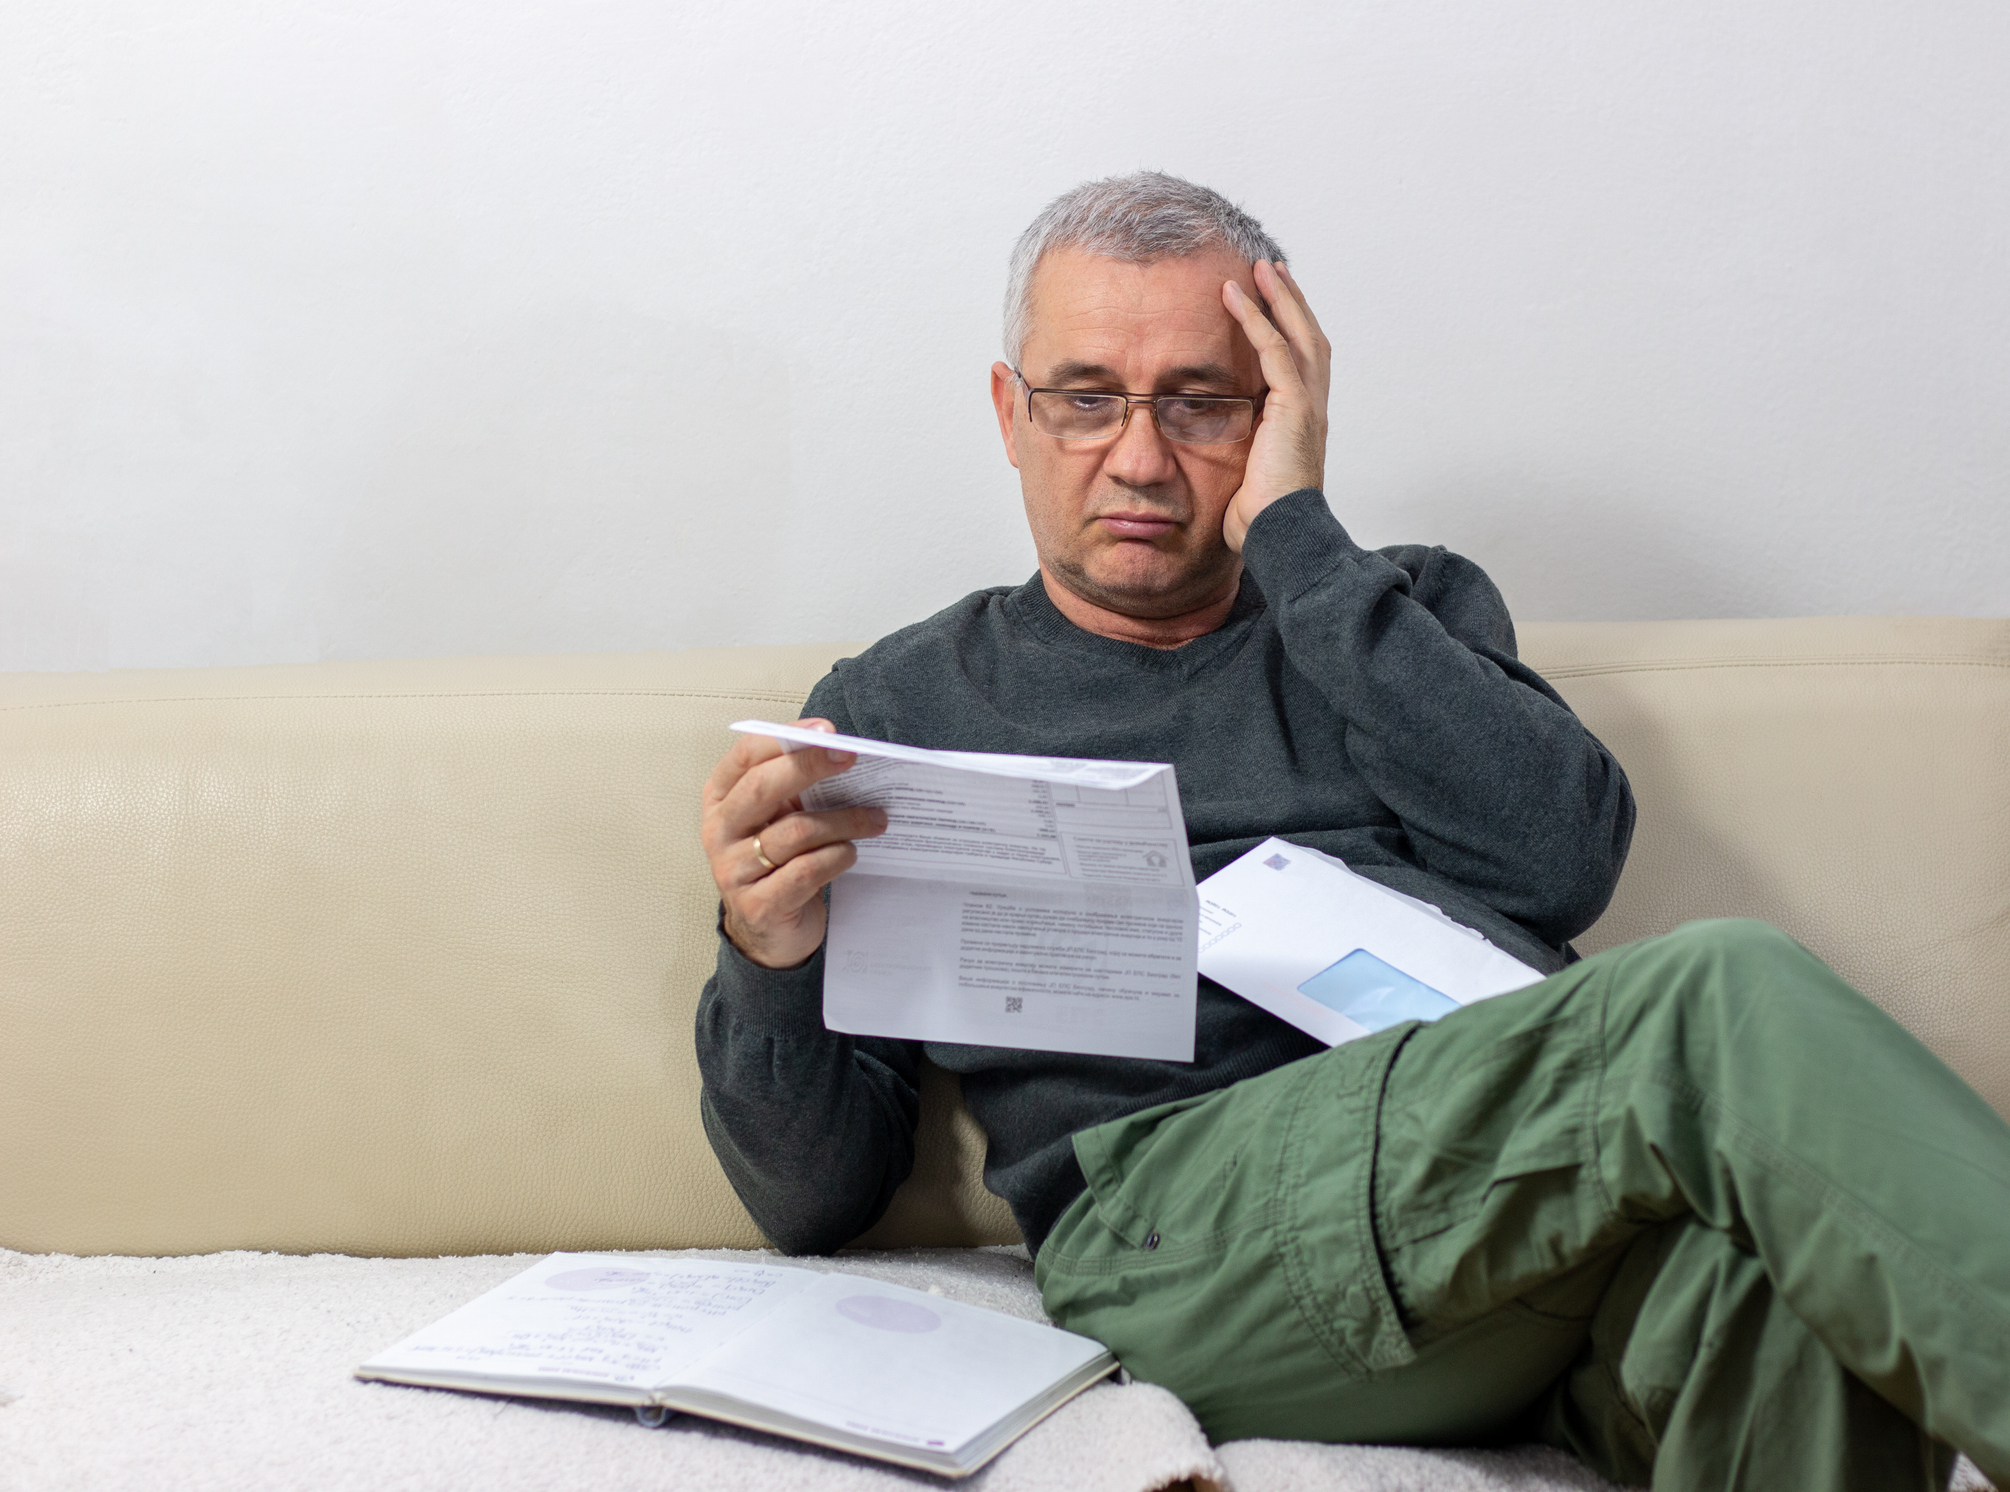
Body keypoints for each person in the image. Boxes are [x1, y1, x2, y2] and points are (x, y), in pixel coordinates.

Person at [694, 172, 2010, 1492]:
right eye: (1085, 398)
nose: (1141, 458)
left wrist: (1299, 544)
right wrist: (769, 951)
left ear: (1280, 413)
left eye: (1200, 402)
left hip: (1504, 1213)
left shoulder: (1395, 615)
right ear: (1008, 414)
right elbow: (812, 1200)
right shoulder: (898, 709)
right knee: (1717, 991)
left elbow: (1555, 862)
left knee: (1780, 1288)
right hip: (1180, 1237)